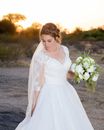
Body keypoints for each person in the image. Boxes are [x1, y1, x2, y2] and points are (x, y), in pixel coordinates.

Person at [15, 23, 94, 130]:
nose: (46, 44)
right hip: (49, 94)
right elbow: (39, 83)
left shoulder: (65, 50)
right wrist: (34, 106)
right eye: (43, 41)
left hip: (66, 92)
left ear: (56, 37)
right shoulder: (42, 55)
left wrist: (81, 74)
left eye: (49, 40)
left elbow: (65, 73)